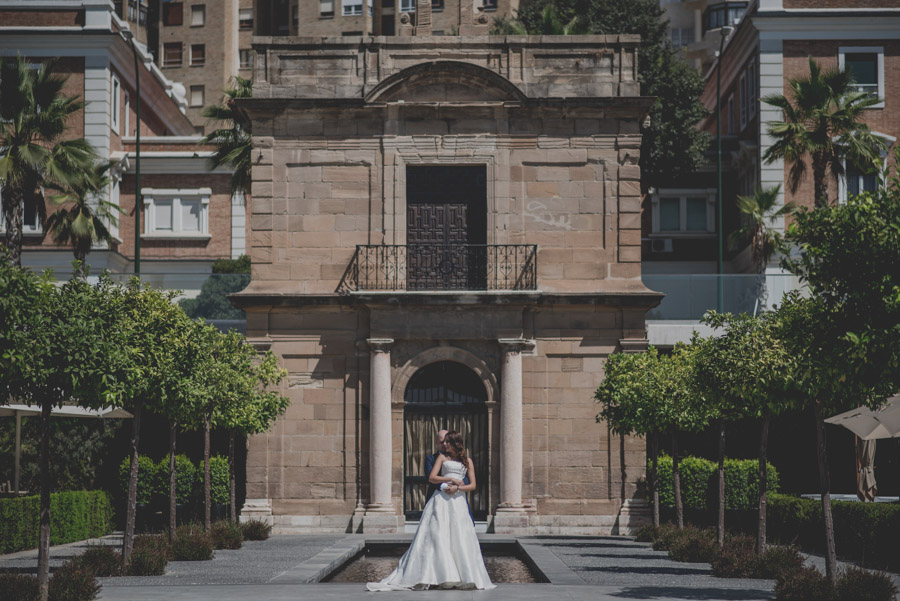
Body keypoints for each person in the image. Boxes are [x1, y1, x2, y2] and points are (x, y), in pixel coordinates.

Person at [366, 431, 495, 591]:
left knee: (460, 536)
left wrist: (457, 488)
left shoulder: (468, 461)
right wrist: (450, 479)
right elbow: (432, 477)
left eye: (448, 442)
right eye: (444, 442)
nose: (444, 444)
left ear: (456, 443)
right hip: (441, 500)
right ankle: (442, 575)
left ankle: (465, 575)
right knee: (438, 535)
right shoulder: (442, 457)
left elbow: (473, 485)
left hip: (458, 501)